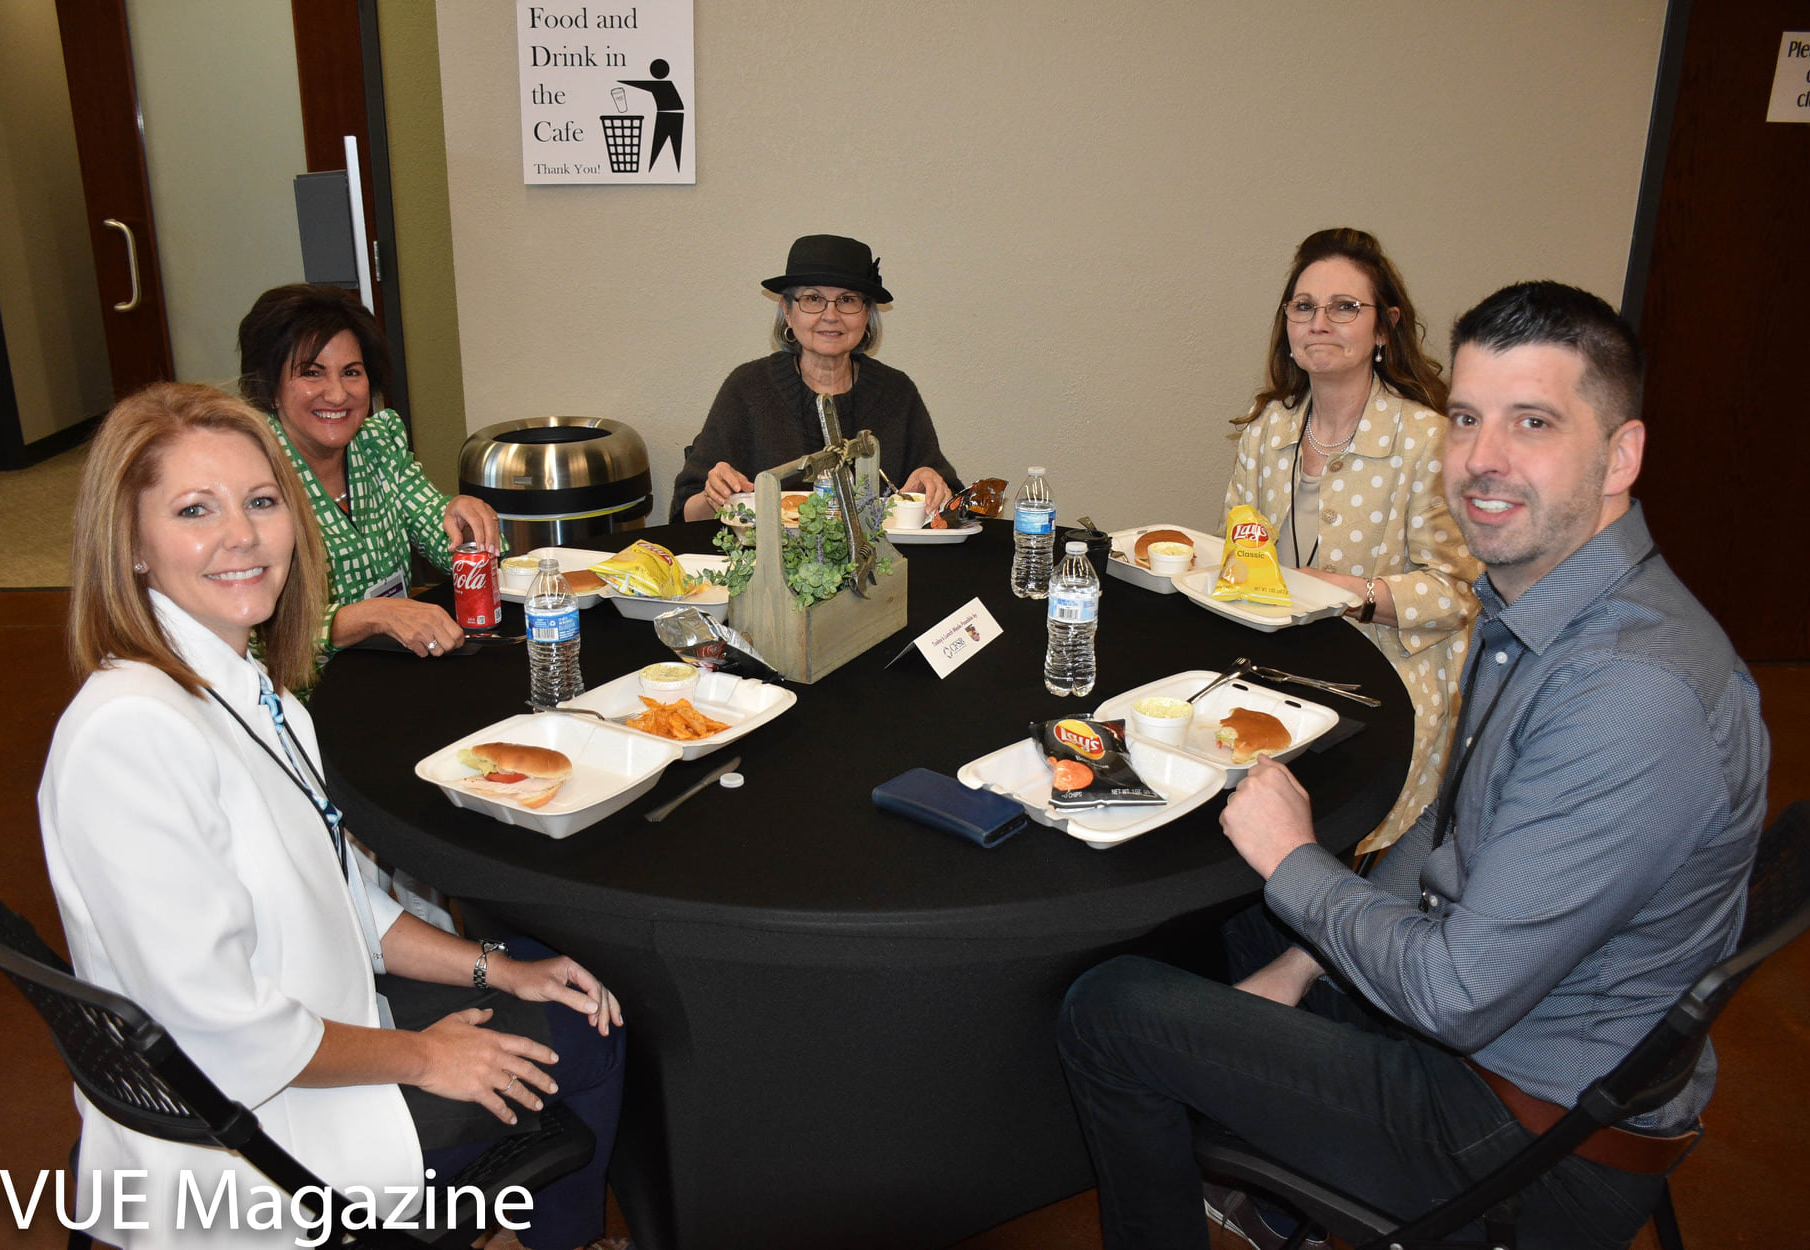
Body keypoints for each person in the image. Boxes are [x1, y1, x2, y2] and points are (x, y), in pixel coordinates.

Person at [1058, 282, 1769, 1249]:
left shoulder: (1634, 693)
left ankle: (1265, 1197)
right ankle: (1288, 1205)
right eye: (1468, 418)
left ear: (1622, 455)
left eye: (1533, 422)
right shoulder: (1544, 606)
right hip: (1498, 1032)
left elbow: (1456, 996)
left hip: (1528, 1132)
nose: (1483, 458)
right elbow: (1448, 822)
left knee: (1110, 1009)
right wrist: (1300, 961)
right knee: (1229, 919)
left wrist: (1295, 861)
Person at [38, 383, 626, 1249]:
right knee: (592, 1043)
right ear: (129, 545)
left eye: (261, 501)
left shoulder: (256, 695)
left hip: (319, 1035)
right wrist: (425, 1056)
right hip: (255, 1139)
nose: (242, 535)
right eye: (196, 509)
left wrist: (499, 972)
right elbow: (223, 1032)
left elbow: (350, 905)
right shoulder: (128, 735)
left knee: (554, 981)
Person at [1223, 227, 1480, 855]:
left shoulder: (1429, 441)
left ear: (1385, 327)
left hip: (1388, 684)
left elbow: (1459, 593)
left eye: (1344, 307)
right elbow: (1241, 560)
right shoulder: (1266, 431)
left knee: (1338, 835)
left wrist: (1353, 594)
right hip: (1280, 670)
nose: (1320, 322)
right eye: (1304, 306)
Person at [239, 283, 499, 661]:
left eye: (351, 372)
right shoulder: (248, 473)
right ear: (270, 388)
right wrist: (371, 616)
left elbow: (439, 531)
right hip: (301, 690)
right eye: (312, 373)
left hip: (393, 669)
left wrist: (466, 525)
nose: (337, 394)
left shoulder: (377, 442)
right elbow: (253, 630)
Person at [671, 234, 961, 521]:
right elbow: (685, 515)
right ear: (787, 311)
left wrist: (932, 483)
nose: (831, 315)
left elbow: (954, 509)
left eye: (847, 300)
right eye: (813, 299)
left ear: (867, 314)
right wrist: (714, 495)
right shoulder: (748, 388)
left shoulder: (897, 392)